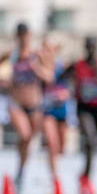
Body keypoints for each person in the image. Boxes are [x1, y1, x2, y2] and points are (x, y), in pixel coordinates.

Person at [0, 22, 55, 193]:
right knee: (25, 135)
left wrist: (37, 69)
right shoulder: (12, 55)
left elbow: (50, 77)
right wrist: (2, 82)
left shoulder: (36, 55)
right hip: (16, 103)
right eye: (20, 35)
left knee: (28, 140)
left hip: (35, 105)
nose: (23, 38)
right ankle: (20, 168)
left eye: (25, 35)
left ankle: (20, 170)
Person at [60, 36, 97, 194]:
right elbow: (61, 77)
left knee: (93, 145)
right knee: (90, 140)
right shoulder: (78, 65)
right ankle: (86, 179)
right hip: (83, 108)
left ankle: (85, 176)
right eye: (89, 48)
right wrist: (70, 87)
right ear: (85, 48)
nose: (92, 51)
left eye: (94, 47)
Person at [40, 38, 69, 183]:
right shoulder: (37, 68)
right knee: (52, 142)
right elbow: (48, 78)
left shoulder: (61, 67)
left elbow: (69, 86)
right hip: (47, 110)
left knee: (61, 146)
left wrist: (65, 93)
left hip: (61, 109)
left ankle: (55, 166)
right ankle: (54, 176)